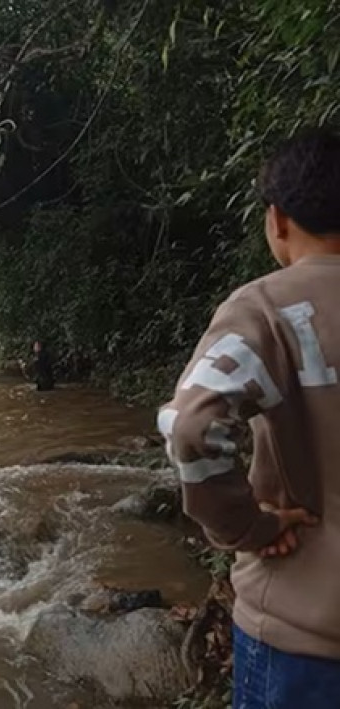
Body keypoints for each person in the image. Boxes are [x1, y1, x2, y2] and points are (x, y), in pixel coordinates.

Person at [158, 128, 340, 708]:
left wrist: (242, 527)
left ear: (278, 220)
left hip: (302, 636)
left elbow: (190, 427)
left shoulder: (266, 310)